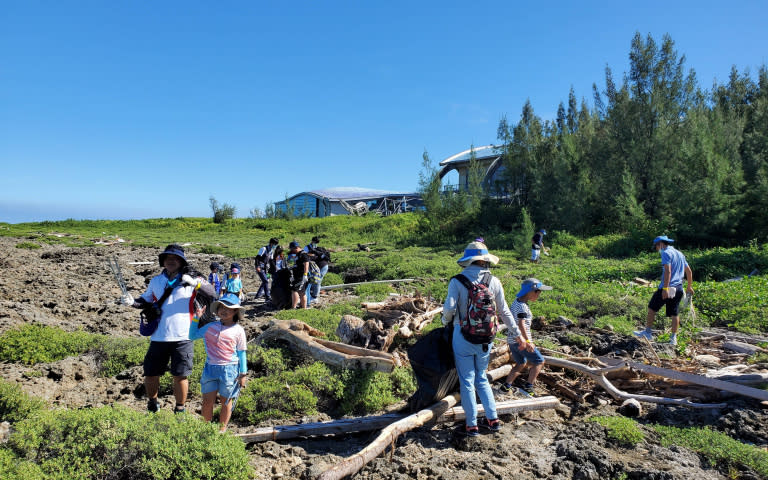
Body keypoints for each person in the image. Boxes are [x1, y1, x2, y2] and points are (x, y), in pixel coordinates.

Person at [441, 240, 527, 437]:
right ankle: (493, 419)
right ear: (485, 261)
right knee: (481, 378)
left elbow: (449, 309)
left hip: (462, 335)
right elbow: (504, 311)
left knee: (467, 381)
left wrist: (445, 320)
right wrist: (517, 335)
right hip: (486, 339)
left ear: (468, 260)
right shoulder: (494, 282)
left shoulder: (457, 281)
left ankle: (471, 425)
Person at [120, 244, 215, 413]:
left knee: (180, 375)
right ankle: (152, 404)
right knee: (150, 373)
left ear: (181, 261)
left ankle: (180, 409)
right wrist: (132, 302)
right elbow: (146, 300)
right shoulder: (156, 280)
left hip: (184, 336)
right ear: (163, 261)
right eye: (167, 258)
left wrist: (195, 284)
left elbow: (212, 293)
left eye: (175, 258)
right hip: (158, 336)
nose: (171, 261)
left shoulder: (193, 278)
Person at [189, 293, 248, 432]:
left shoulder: (239, 330)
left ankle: (222, 430)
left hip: (230, 370)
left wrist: (243, 374)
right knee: (207, 402)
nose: (224, 310)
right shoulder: (210, 326)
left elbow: (241, 352)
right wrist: (196, 318)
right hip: (210, 369)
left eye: (228, 307)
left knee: (226, 402)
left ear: (235, 311)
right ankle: (206, 429)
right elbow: (192, 335)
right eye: (221, 307)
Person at [634, 235, 694, 345]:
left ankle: (647, 332)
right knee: (674, 313)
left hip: (667, 287)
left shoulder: (666, 253)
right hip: (679, 288)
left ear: (660, 244)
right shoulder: (680, 254)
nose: (656, 249)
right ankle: (673, 338)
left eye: (656, 247)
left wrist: (665, 289)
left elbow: (668, 271)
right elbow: (689, 271)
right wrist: (689, 286)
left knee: (652, 308)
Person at [500, 278, 552, 395]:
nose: (539, 295)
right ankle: (528, 387)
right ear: (532, 291)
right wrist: (528, 341)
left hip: (512, 340)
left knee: (521, 363)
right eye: (538, 292)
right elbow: (521, 324)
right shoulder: (522, 307)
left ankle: (506, 386)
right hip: (521, 341)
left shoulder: (516, 302)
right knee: (539, 361)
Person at [304, 236, 330, 306]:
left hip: (322, 267)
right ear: (312, 241)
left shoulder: (319, 249)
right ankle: (312, 295)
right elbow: (305, 256)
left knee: (317, 281)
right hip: (315, 268)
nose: (315, 244)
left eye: (317, 243)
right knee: (313, 281)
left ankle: (315, 297)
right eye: (315, 242)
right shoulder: (307, 248)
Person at [254, 238, 279, 302]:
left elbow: (271, 260)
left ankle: (257, 296)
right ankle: (267, 297)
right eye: (274, 244)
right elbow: (257, 258)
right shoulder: (263, 249)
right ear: (271, 243)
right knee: (265, 281)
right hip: (260, 266)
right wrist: (257, 266)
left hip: (265, 267)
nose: (275, 246)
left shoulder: (271, 250)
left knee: (265, 281)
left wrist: (275, 267)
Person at [287, 241, 310, 309]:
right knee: (302, 292)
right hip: (298, 276)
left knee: (294, 290)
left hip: (301, 276)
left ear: (296, 248)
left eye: (292, 249)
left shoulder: (303, 254)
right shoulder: (298, 254)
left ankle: (293, 307)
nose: (291, 251)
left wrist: (305, 274)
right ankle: (303, 308)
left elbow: (306, 264)